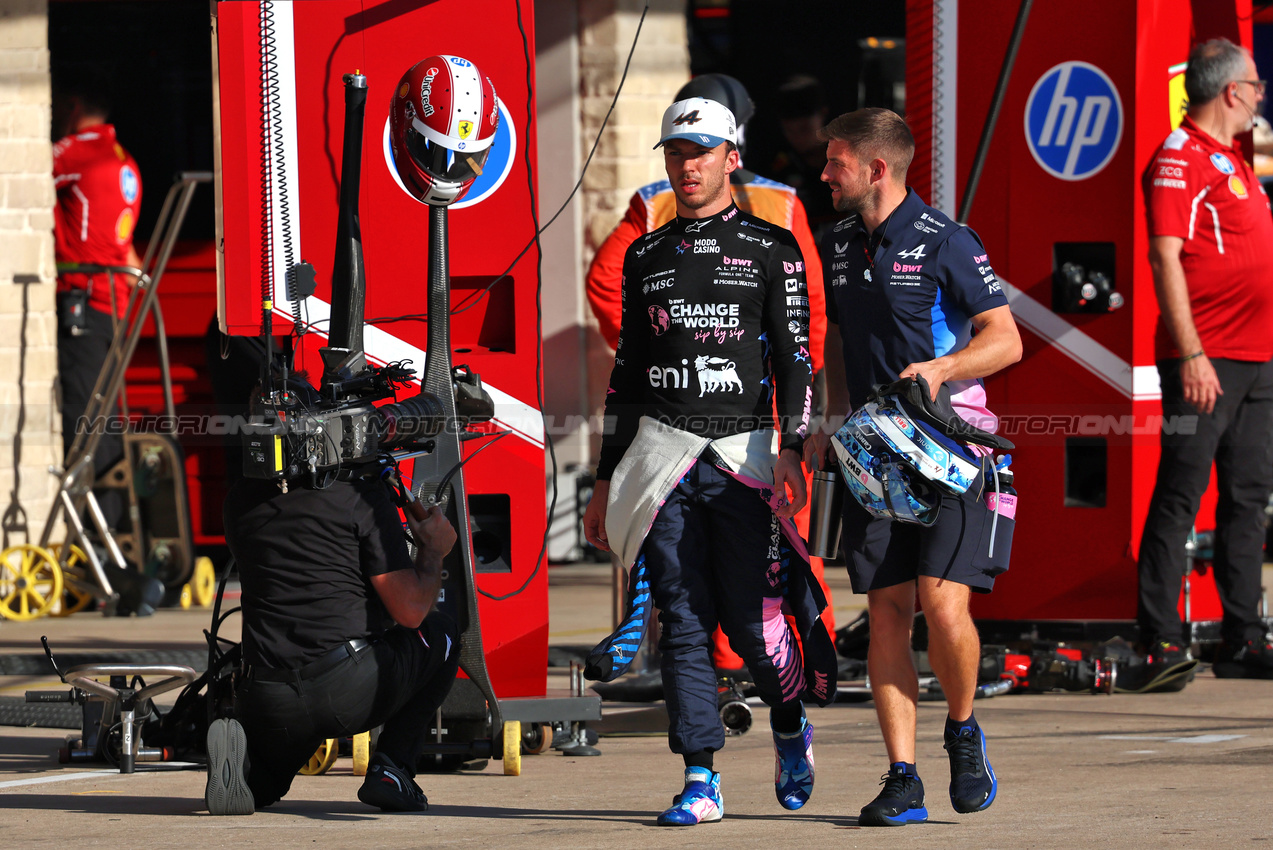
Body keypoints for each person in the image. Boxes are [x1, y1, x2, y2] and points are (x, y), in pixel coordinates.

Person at [581, 96, 836, 826]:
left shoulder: (771, 246)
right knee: (683, 621)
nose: (685, 166)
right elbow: (626, 375)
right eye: (674, 152)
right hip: (662, 462)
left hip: (743, 462)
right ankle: (700, 777)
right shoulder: (644, 253)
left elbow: (797, 358)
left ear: (732, 157)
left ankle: (789, 726)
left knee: (755, 629)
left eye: (700, 152)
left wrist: (792, 447)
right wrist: (604, 479)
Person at [804, 108, 1021, 826]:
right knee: (886, 611)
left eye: (835, 162)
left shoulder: (946, 242)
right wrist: (826, 425)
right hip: (872, 456)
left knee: (941, 600)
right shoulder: (834, 242)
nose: (824, 172)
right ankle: (902, 776)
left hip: (952, 447)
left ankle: (961, 729)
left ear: (875, 169)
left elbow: (1005, 340)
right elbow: (834, 340)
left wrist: (943, 367)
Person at [207, 387, 461, 815]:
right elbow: (410, 611)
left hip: (268, 693)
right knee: (441, 630)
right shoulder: (357, 498)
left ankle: (249, 777)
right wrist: (433, 550)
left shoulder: (240, 502)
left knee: (269, 779)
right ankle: (392, 768)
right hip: (348, 688)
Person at [1136, 38, 1273, 685]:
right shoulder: (1178, 158)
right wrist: (1191, 353)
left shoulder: (1234, 161)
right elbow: (1164, 257)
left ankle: (1241, 636)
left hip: (1256, 358)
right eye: (1254, 85)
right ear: (1229, 92)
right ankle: (1159, 641)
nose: (1260, 95)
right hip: (1206, 357)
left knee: (1247, 499)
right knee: (1181, 496)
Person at [52, 77, 142, 531]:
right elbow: (128, 253)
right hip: (116, 306)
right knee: (104, 415)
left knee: (82, 417)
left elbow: (18, 179)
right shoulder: (125, 162)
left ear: (72, 104)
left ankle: (100, 542)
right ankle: (118, 533)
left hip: (84, 302)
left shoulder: (75, 150)